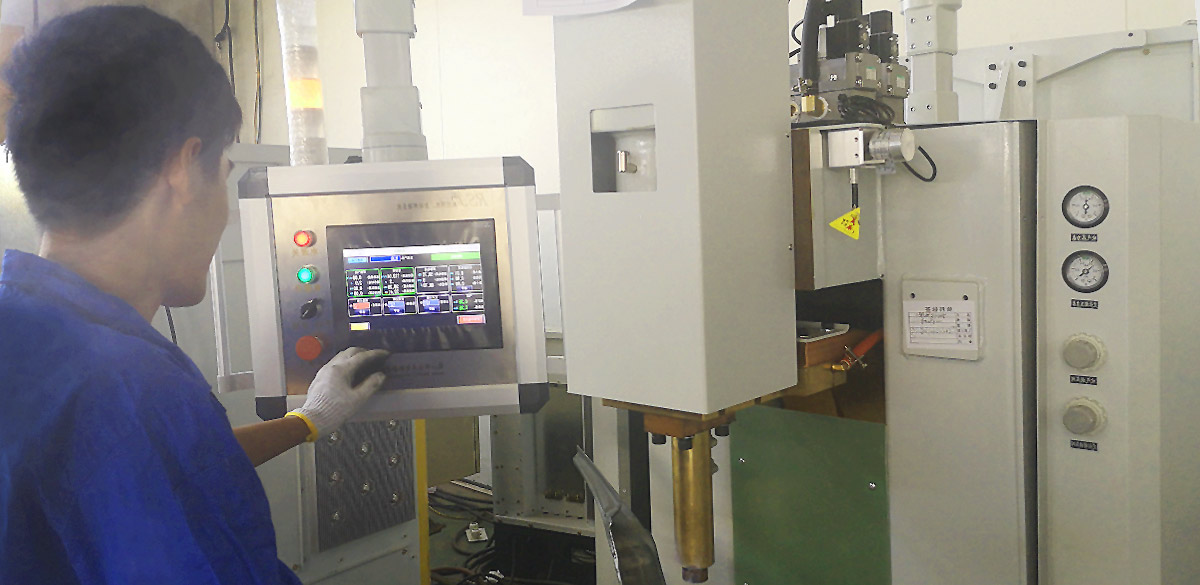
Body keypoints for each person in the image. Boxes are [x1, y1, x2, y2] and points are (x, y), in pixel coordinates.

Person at [0, 6, 388, 584]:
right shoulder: (131, 386)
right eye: (223, 174)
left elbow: (140, 471)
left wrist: (307, 421)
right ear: (183, 169)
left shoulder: (23, 330)